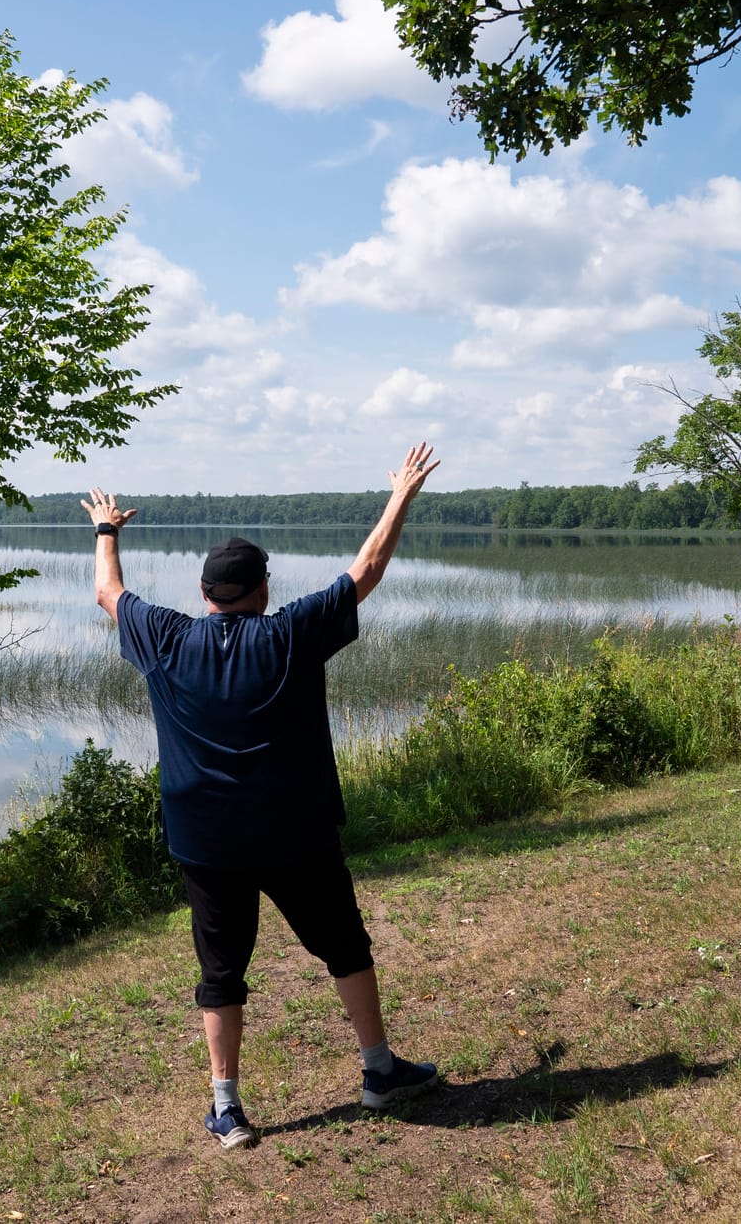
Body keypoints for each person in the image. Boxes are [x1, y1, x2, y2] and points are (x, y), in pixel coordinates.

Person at [79, 442, 443, 1150]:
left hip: (207, 840)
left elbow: (107, 592)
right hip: (294, 831)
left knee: (221, 971)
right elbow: (365, 570)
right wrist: (401, 492)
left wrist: (106, 530)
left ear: (208, 593)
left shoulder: (166, 637)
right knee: (345, 944)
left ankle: (228, 1109)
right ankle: (377, 1070)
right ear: (261, 589)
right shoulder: (287, 636)